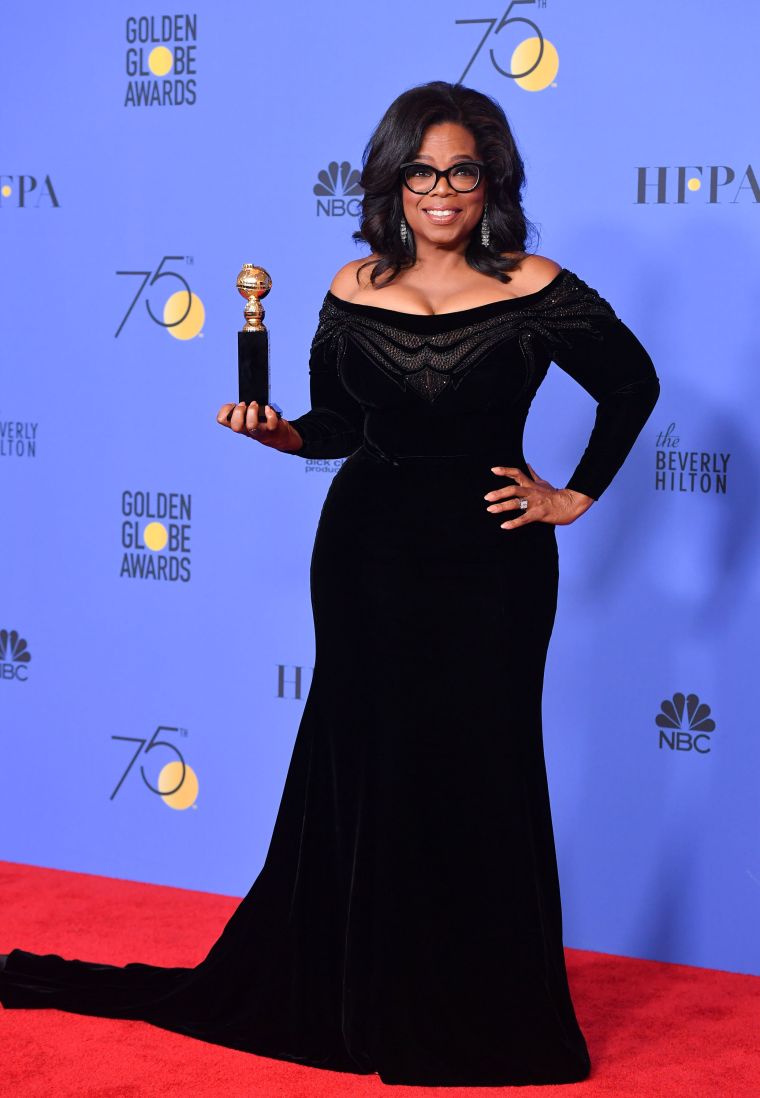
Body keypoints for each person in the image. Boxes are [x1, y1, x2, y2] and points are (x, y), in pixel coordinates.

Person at [0, 80, 659, 1086]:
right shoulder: (351, 287)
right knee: (370, 764)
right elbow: (337, 428)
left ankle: (479, 1005)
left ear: (493, 179)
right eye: (422, 170)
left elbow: (631, 383)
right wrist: (281, 435)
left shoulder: (536, 283)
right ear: (393, 180)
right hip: (367, 555)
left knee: (480, 767)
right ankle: (359, 992)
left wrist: (574, 495)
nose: (441, 190)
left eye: (462, 170)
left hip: (492, 562)